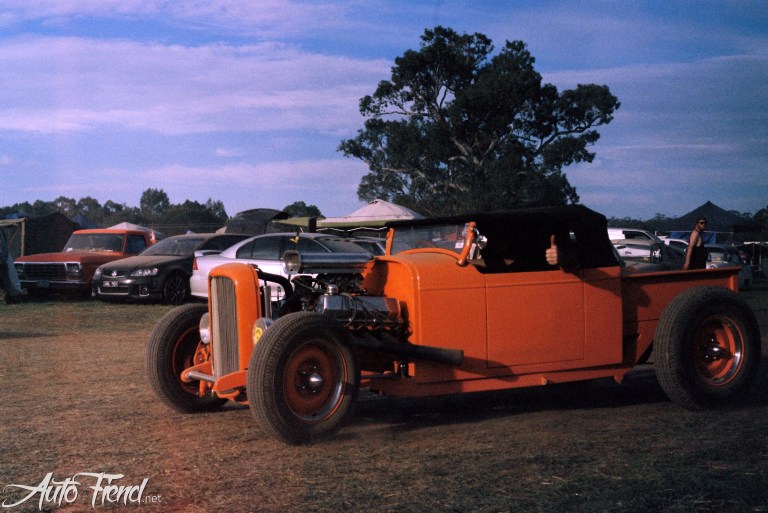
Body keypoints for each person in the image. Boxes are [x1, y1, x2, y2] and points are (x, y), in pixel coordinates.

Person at [0, 228, 23, 304]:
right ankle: (11, 297)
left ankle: (12, 297)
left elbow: (3, 248)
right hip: (3, 260)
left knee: (7, 281)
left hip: (2, 261)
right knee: (7, 281)